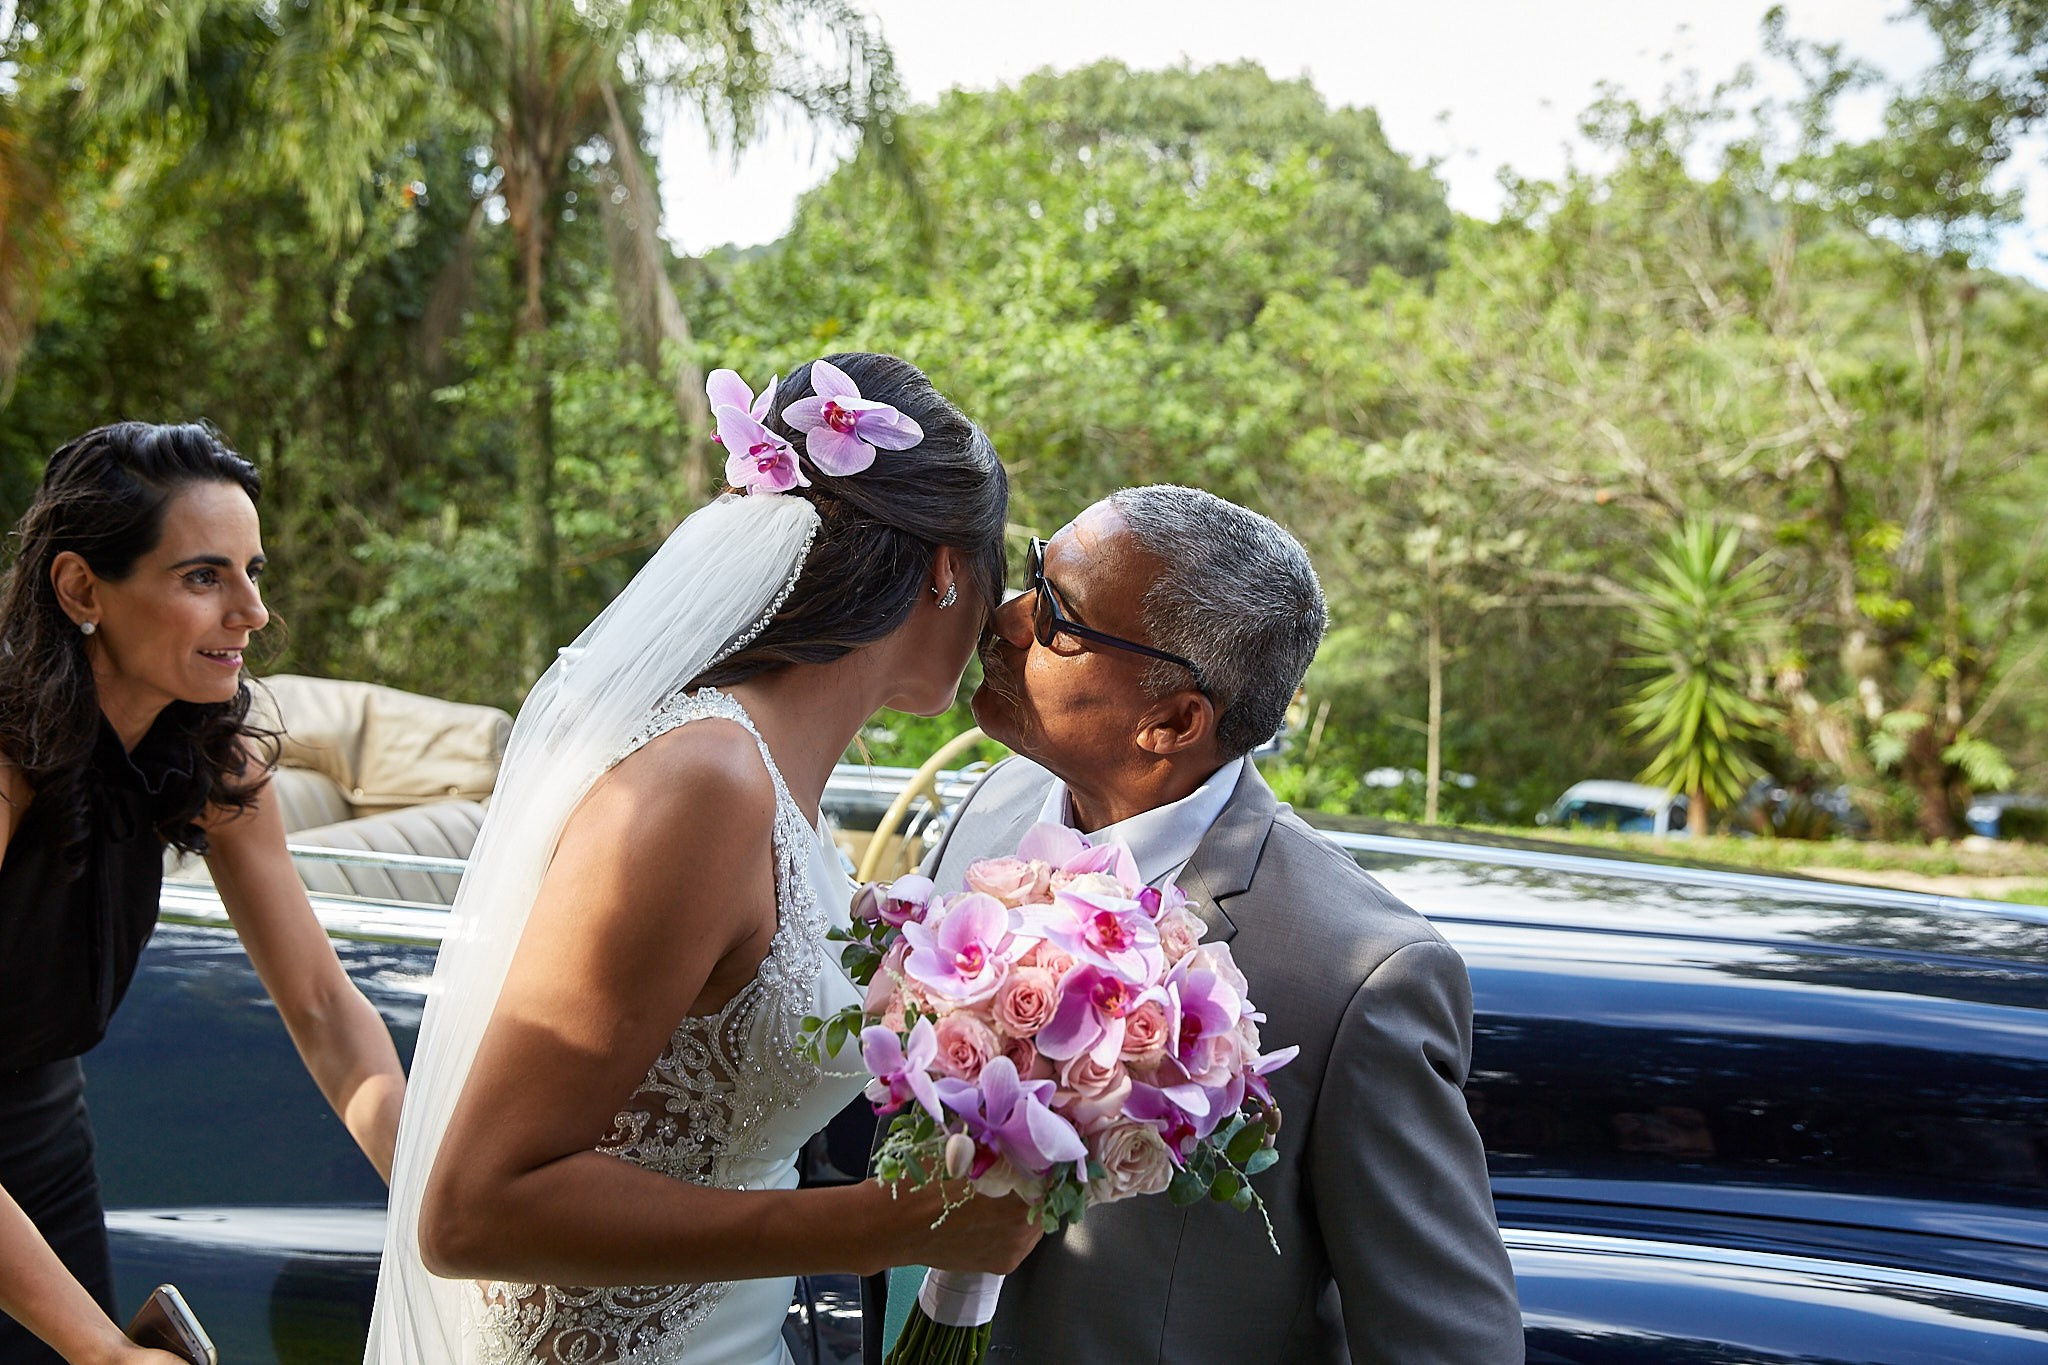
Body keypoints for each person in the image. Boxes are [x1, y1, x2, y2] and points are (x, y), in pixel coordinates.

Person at [366, 353, 1042, 1365]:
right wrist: (889, 1222)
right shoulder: (705, 784)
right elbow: (472, 1213)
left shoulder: (786, 806)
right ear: (947, 567)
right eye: (1003, 570)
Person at [902, 485, 1525, 1362]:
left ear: (1173, 721)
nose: (1005, 616)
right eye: (1034, 572)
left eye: (1057, 617)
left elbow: (1446, 1343)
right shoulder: (995, 801)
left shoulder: (1356, 976)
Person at [0, 422, 408, 1364]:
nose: (253, 610)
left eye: (253, 570)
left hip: (42, 1143)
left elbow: (320, 1006)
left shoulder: (213, 750)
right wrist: (98, 1349)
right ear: (80, 589)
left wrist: (430, 1191)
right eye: (203, 576)